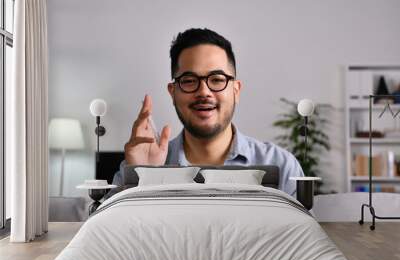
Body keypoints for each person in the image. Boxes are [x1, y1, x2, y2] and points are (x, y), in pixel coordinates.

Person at [112, 28, 303, 196]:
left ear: (236, 90)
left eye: (217, 79)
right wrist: (143, 178)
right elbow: (108, 231)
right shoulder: (143, 165)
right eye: (189, 80)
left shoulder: (281, 164)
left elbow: (303, 235)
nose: (204, 92)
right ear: (173, 92)